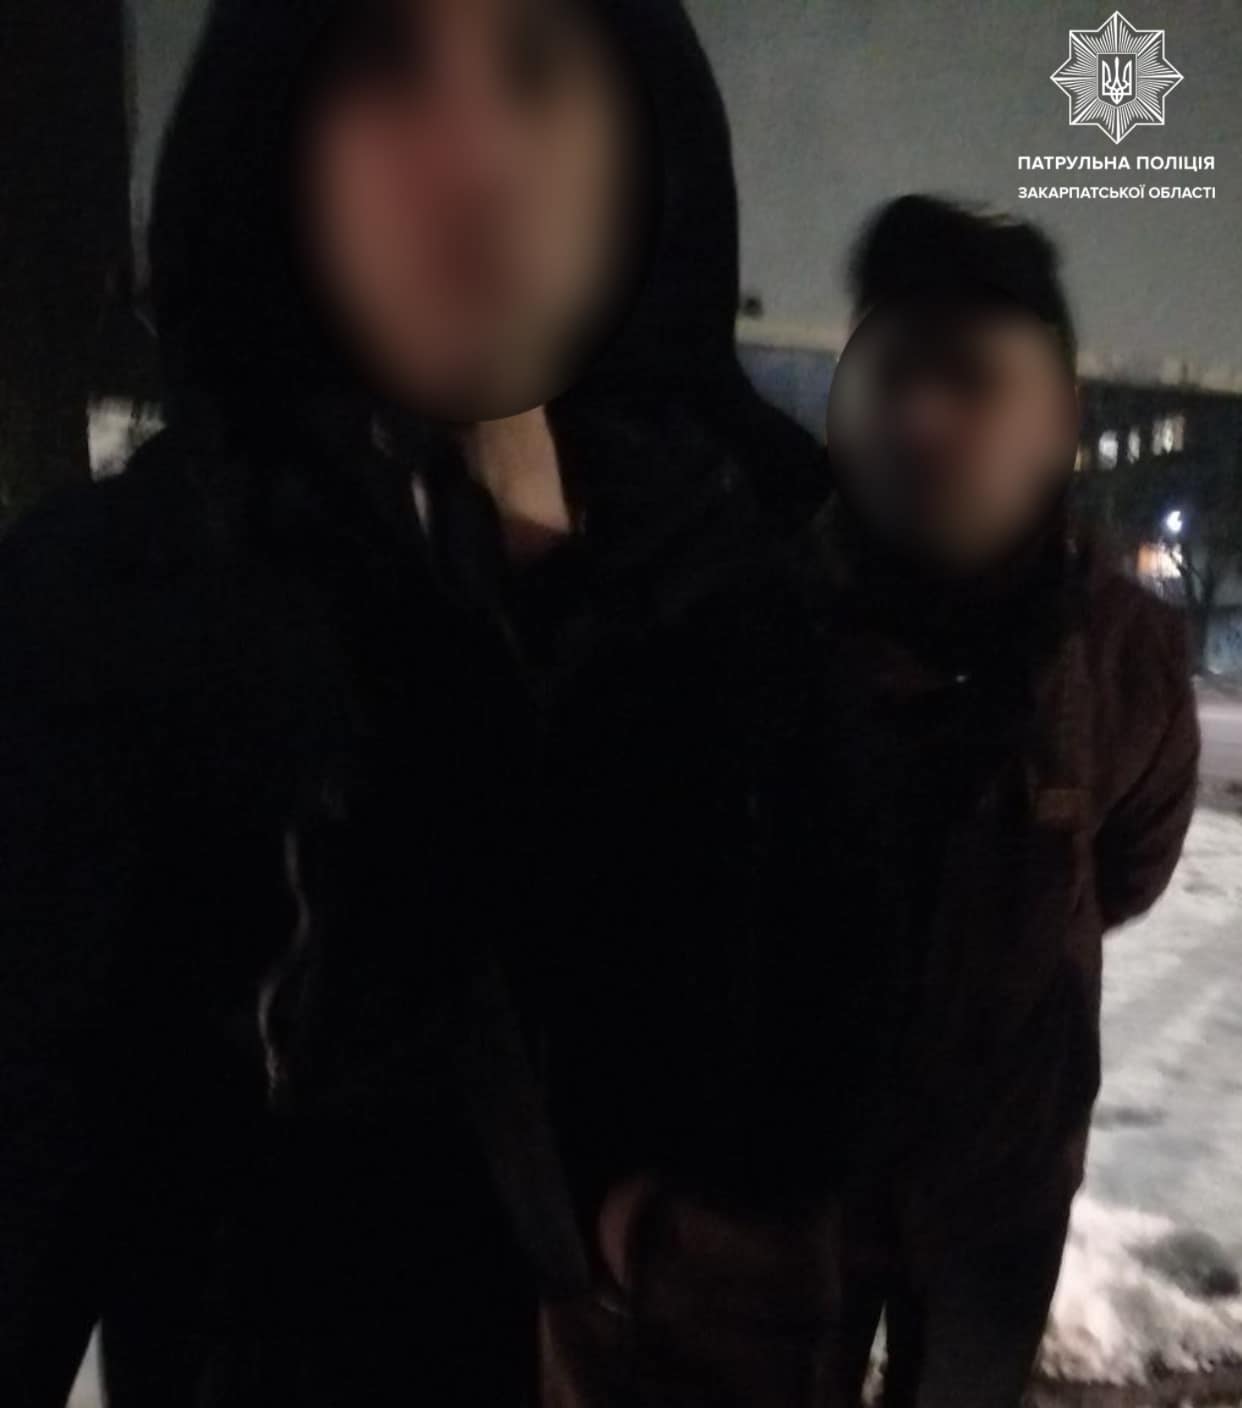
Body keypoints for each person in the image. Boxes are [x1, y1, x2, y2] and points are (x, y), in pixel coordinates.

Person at [0, 1, 824, 1405]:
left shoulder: (751, 588)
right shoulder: (111, 616)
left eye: (540, 70)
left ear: (644, 143)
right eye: (386, 66)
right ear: (275, 138)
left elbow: (827, 1079)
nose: (475, 159)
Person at [808, 196, 1200, 1408]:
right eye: (895, 371)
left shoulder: (1123, 651)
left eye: (973, 377)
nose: (925, 415)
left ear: (1057, 419)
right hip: (794, 1185)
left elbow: (1130, 863)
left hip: (1001, 1194)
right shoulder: (758, 618)